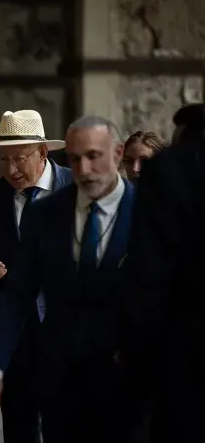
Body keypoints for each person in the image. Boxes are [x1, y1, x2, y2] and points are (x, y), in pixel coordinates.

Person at [0, 116, 149, 443]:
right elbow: (16, 294)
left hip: (131, 376)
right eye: (75, 159)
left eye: (94, 156)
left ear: (117, 153)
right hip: (61, 378)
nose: (84, 169)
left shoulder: (150, 212)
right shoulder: (45, 215)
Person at [0, 109, 72, 443]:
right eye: (2, 159)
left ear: (43, 152)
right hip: (15, 337)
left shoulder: (76, 187)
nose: (10, 169)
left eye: (19, 158)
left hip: (70, 330)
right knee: (20, 427)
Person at [117, 111, 205, 442]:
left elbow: (150, 274)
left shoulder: (168, 178)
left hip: (175, 339)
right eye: (129, 161)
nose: (136, 169)